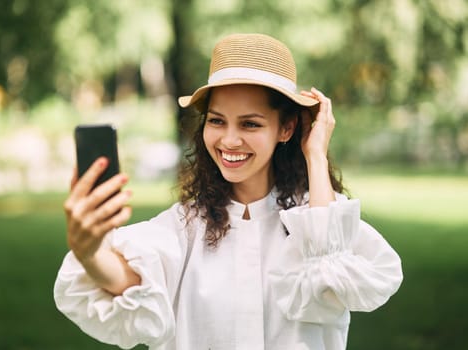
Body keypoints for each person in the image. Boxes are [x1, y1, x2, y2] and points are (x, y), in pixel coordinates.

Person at [54, 33, 403, 350]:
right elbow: (128, 279)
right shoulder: (184, 227)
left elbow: (331, 282)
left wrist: (315, 155)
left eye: (250, 123)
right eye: (217, 120)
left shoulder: (317, 220)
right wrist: (89, 252)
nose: (229, 140)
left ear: (287, 128)